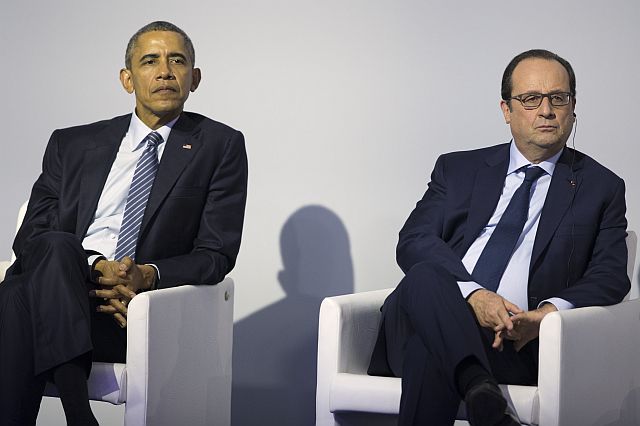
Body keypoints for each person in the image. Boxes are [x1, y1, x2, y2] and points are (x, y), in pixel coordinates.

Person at [0, 21, 247, 425]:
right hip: (66, 286)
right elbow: (30, 238)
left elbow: (216, 254)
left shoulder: (219, 145)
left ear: (194, 78)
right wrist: (95, 266)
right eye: (150, 61)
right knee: (56, 248)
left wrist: (146, 275)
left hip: (123, 313)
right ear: (127, 79)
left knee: (13, 304)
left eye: (177, 61)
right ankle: (78, 412)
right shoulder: (71, 143)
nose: (165, 71)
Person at [367, 49, 629, 426]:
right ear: (507, 110)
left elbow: (610, 275)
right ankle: (479, 389)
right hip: (417, 321)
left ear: (573, 107)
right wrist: (474, 295)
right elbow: (414, 239)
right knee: (425, 276)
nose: (547, 110)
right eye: (530, 99)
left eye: (559, 98)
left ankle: (479, 391)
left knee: (432, 348)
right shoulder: (458, 169)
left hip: (511, 343)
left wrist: (546, 315)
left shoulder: (600, 187)